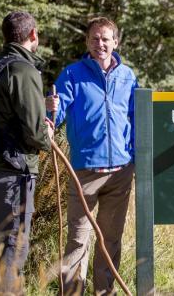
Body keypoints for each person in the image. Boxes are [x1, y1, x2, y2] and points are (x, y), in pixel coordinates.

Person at [47, 17, 138, 295]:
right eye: (95, 38)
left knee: (110, 239)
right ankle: (73, 292)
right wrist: (49, 118)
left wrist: (135, 156)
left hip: (121, 172)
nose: (100, 43)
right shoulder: (72, 74)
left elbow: (135, 117)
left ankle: (104, 292)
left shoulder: (128, 76)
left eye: (106, 38)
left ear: (116, 42)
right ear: (87, 42)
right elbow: (57, 110)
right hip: (84, 171)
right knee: (77, 240)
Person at [0, 11, 54, 294]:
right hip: (14, 173)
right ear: (33, 34)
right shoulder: (24, 70)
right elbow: (35, 133)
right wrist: (48, 134)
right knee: (13, 247)